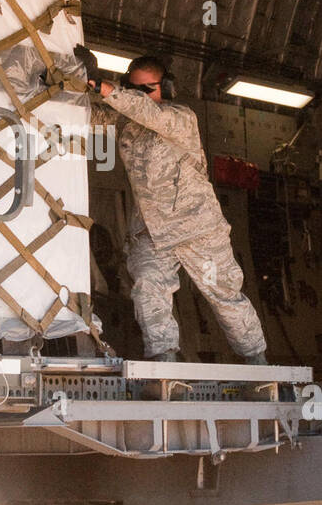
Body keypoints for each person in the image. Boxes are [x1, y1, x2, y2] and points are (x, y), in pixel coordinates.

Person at [75, 46, 268, 365]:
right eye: (133, 89)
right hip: (152, 232)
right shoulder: (127, 123)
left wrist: (101, 83)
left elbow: (146, 111)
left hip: (197, 230)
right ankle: (165, 358)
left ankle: (255, 358)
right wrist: (70, 85)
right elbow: (90, 115)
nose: (139, 96)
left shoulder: (180, 118)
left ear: (165, 88)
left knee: (223, 296)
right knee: (148, 290)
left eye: (146, 89)